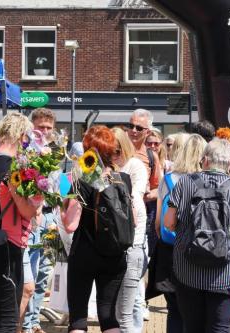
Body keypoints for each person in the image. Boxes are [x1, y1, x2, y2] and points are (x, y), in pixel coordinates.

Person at [164, 138, 230, 333]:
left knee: (192, 328)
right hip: (226, 275)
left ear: (204, 160)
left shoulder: (185, 183)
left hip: (188, 272)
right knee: (221, 328)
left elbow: (169, 222)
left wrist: (186, 234)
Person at [0, 113, 41, 333]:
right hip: (7, 243)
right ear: (21, 135)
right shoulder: (10, 167)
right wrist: (36, 203)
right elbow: (25, 209)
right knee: (8, 317)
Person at [61, 125, 129, 333]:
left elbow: (70, 225)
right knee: (109, 318)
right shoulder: (123, 179)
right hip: (116, 253)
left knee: (79, 319)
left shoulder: (81, 179)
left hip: (85, 253)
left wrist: (62, 204)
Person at [153, 133, 206, 333]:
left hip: (170, 248)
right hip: (199, 248)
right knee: (196, 307)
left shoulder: (168, 179)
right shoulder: (206, 180)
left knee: (174, 307)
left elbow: (159, 222)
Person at [21, 108, 58, 333]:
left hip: (52, 217)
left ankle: (34, 322)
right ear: (32, 126)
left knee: (45, 271)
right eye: (41, 127)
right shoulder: (26, 153)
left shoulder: (55, 152)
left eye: (48, 128)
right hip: (34, 217)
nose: (44, 131)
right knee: (31, 274)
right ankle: (26, 324)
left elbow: (58, 185)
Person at [112, 127, 148, 333]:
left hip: (132, 242)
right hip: (113, 243)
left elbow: (135, 199)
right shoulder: (106, 166)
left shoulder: (135, 165)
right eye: (109, 151)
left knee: (126, 310)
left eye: (117, 151)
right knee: (118, 309)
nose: (114, 156)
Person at [126, 109, 161, 257]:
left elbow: (158, 188)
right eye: (131, 126)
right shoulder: (116, 150)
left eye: (139, 128)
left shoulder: (151, 156)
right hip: (115, 214)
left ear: (147, 132)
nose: (133, 130)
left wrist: (142, 196)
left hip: (139, 217)